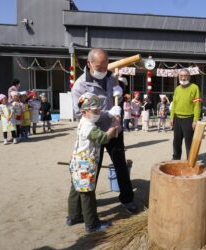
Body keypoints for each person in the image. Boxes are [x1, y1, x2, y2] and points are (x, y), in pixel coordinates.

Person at [71, 48, 137, 213]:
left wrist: (120, 96)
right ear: (89, 63)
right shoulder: (80, 86)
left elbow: (116, 101)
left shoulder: (112, 78)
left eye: (105, 66)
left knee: (120, 164)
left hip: (114, 130)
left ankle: (127, 199)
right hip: (96, 133)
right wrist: (107, 113)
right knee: (92, 167)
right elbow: (80, 113)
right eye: (99, 67)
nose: (103, 70)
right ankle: (83, 206)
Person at [67, 92, 118, 233]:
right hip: (85, 166)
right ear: (84, 111)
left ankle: (73, 216)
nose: (98, 113)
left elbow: (98, 118)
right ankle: (92, 224)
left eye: (99, 110)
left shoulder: (85, 121)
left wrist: (108, 114)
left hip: (77, 163)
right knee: (87, 193)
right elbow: (104, 138)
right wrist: (114, 125)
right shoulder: (88, 126)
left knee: (76, 190)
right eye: (95, 111)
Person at [170, 68, 201, 160]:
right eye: (181, 76)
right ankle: (176, 158)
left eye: (185, 76)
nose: (183, 78)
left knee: (189, 142)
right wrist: (171, 117)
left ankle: (190, 160)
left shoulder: (195, 88)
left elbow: (197, 105)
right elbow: (174, 104)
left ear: (189, 77)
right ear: (179, 77)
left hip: (189, 119)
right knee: (176, 141)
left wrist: (195, 120)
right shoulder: (177, 89)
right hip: (177, 119)